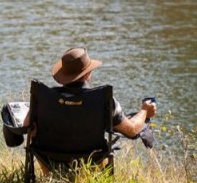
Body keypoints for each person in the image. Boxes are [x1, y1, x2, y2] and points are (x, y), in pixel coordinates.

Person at [24, 47, 157, 138]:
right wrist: (144, 111)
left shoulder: (44, 98)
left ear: (62, 75)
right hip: (91, 162)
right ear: (88, 74)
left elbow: (25, 127)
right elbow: (132, 131)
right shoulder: (103, 100)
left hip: (49, 161)